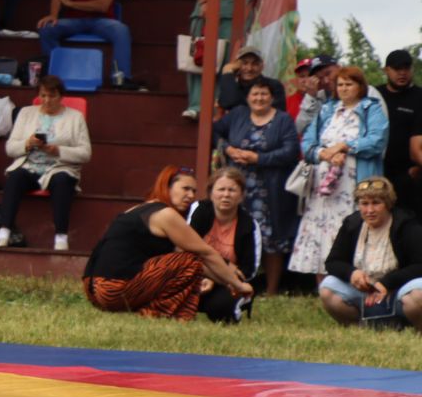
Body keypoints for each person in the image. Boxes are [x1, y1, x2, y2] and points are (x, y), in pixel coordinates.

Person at [83, 167, 249, 320]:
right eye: (185, 189)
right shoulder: (165, 214)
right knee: (191, 261)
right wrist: (238, 285)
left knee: (186, 260)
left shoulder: (139, 209)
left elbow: (180, 256)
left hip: (93, 291)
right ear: (167, 187)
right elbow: (205, 253)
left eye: (194, 191)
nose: (191, 196)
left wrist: (226, 280)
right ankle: (155, 312)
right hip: (113, 290)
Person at [290, 66, 389, 276]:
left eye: (349, 84)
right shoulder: (328, 109)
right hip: (323, 185)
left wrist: (345, 146)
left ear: (360, 86)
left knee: (352, 227)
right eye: (340, 84)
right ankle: (321, 285)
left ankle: (353, 281)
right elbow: (307, 142)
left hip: (354, 182)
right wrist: (322, 154)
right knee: (320, 230)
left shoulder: (371, 108)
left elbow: (377, 141)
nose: (344, 88)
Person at [214, 77, 300, 295]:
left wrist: (258, 158)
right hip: (239, 191)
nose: (259, 98)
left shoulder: (283, 120)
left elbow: (290, 152)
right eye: (255, 94)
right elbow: (213, 130)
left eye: (264, 94)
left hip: (271, 191)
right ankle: (233, 284)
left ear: (272, 98)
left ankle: (271, 289)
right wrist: (227, 149)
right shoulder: (238, 115)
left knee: (272, 240)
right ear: (248, 96)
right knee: (236, 236)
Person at [0, 74, 92, 252]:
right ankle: (4, 231)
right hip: (30, 165)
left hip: (60, 166)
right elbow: (10, 148)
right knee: (15, 177)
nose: (46, 100)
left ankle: (61, 236)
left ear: (61, 97)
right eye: (43, 95)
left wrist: (58, 151)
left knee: (62, 181)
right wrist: (27, 144)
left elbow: (85, 153)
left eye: (51, 96)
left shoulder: (75, 117)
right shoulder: (26, 113)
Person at [316, 177, 422, 326]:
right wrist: (352, 273)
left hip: (398, 292)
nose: (370, 210)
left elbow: (419, 265)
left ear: (388, 204)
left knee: (419, 291)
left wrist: (387, 283)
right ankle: (359, 325)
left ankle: (416, 325)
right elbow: (333, 262)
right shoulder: (352, 224)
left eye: (376, 203)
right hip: (364, 292)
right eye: (364, 204)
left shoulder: (406, 225)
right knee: (327, 288)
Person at [188, 168, 263, 323]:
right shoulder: (199, 210)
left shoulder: (249, 225)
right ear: (211, 193)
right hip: (194, 274)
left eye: (232, 190)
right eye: (221, 189)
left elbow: (249, 270)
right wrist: (226, 265)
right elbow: (187, 247)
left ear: (241, 196)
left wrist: (215, 279)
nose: (226, 195)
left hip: (228, 282)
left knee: (222, 311)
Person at [378, 48, 422, 215]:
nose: (402, 73)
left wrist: (418, 167)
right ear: (386, 70)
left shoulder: (419, 96)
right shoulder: (375, 95)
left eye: (406, 68)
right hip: (379, 172)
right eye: (397, 69)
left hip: (409, 174)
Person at [213, 47, 286, 114]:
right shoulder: (233, 84)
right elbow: (227, 102)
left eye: (255, 64)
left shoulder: (273, 86)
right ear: (236, 65)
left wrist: (227, 70)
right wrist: (229, 72)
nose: (249, 68)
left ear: (262, 66)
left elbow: (230, 103)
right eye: (244, 63)